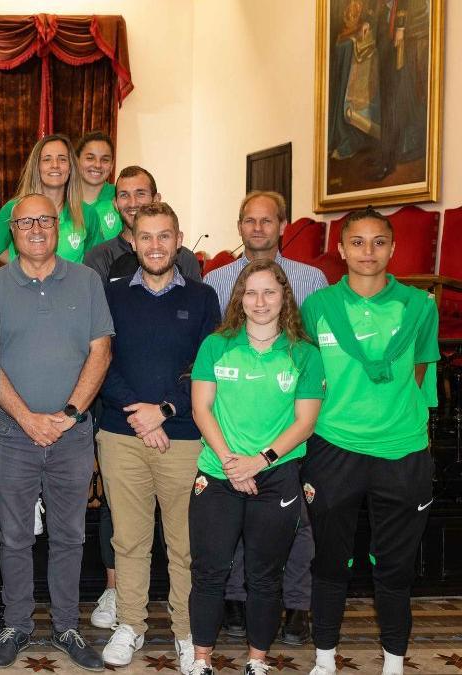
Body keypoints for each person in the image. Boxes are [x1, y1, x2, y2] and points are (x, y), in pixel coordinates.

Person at [300, 209, 439, 675]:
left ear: (393, 249)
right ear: (340, 250)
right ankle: (323, 659)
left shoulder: (421, 306)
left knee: (396, 568)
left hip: (402, 451)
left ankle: (394, 662)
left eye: (379, 242)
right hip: (333, 448)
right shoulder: (317, 307)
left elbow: (419, 371)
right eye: (357, 242)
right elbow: (309, 379)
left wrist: (390, 415)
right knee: (329, 561)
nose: (368, 252)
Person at [0, 194, 110, 672]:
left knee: (70, 535)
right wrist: (27, 418)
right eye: (25, 222)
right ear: (12, 231)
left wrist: (69, 413)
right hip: (12, 433)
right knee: (14, 536)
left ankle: (65, 626)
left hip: (72, 434)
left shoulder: (87, 280)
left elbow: (100, 351)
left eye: (45, 220)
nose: (36, 229)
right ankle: (16, 624)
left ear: (57, 226)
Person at [97, 202, 220, 670]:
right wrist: (139, 416)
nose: (154, 245)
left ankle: (187, 633)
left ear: (178, 238)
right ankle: (131, 624)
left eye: (164, 236)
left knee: (184, 542)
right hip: (121, 433)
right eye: (145, 237)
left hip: (186, 437)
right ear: (133, 240)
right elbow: (99, 361)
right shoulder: (109, 295)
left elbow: (204, 370)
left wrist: (164, 410)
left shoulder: (203, 298)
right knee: (128, 539)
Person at [187, 259, 325, 675]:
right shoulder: (216, 344)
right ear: (239, 299)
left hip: (276, 476)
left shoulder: (304, 354)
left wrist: (258, 462)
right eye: (251, 292)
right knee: (210, 572)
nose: (260, 301)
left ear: (285, 297)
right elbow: (201, 408)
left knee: (265, 576)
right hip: (217, 472)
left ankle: (257, 661)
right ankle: (201, 660)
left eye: (269, 292)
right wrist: (232, 464)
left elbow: (305, 423)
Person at [84, 166, 203, 283]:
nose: (133, 203)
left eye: (140, 194)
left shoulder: (184, 258)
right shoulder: (98, 258)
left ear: (156, 199)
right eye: (124, 195)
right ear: (115, 203)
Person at [0, 134, 88, 263]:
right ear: (37, 167)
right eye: (47, 159)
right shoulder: (14, 208)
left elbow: (96, 260)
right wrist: (16, 264)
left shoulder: (86, 213)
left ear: (70, 168)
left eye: (62, 159)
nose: (55, 165)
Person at [75, 131, 122, 245]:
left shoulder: (121, 196)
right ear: (76, 161)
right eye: (90, 158)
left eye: (105, 160)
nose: (97, 165)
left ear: (112, 165)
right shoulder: (62, 199)